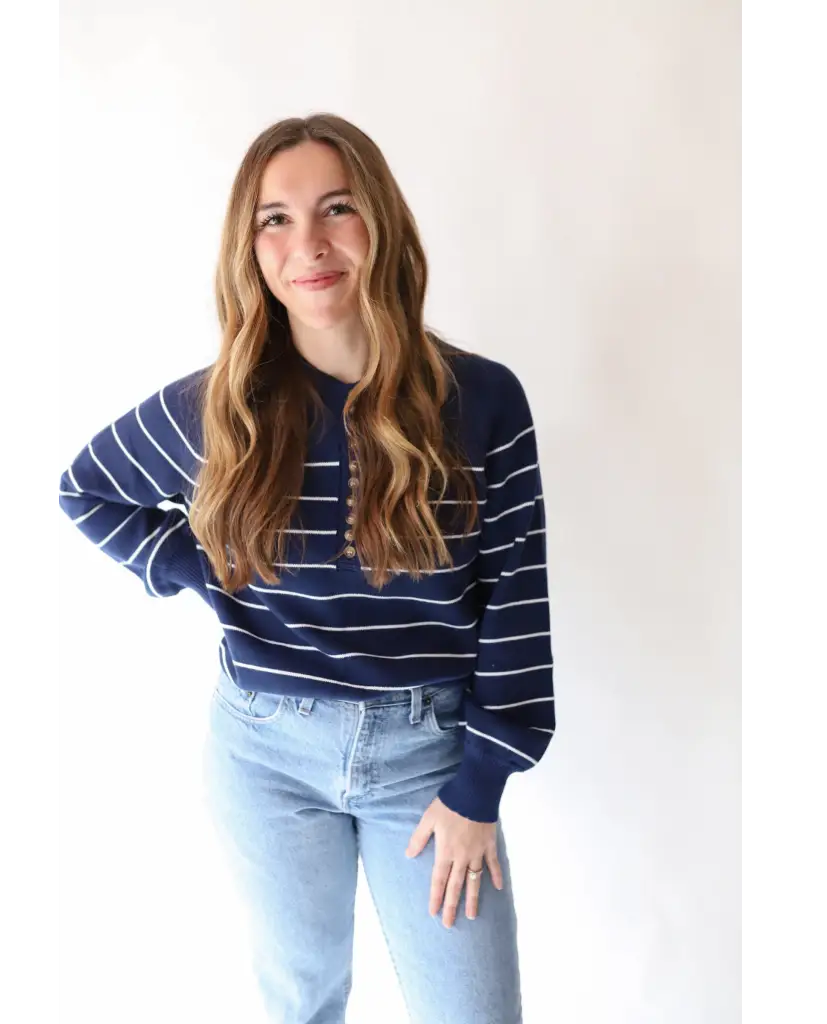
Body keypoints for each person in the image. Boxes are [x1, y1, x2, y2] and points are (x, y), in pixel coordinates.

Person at [58, 112, 555, 1024]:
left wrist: (480, 782)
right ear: (248, 250)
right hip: (265, 755)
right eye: (274, 220)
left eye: (337, 208)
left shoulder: (480, 401)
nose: (309, 244)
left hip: (431, 762)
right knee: (302, 1005)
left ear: (382, 224)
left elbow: (518, 598)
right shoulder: (221, 410)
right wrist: (200, 573)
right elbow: (84, 489)